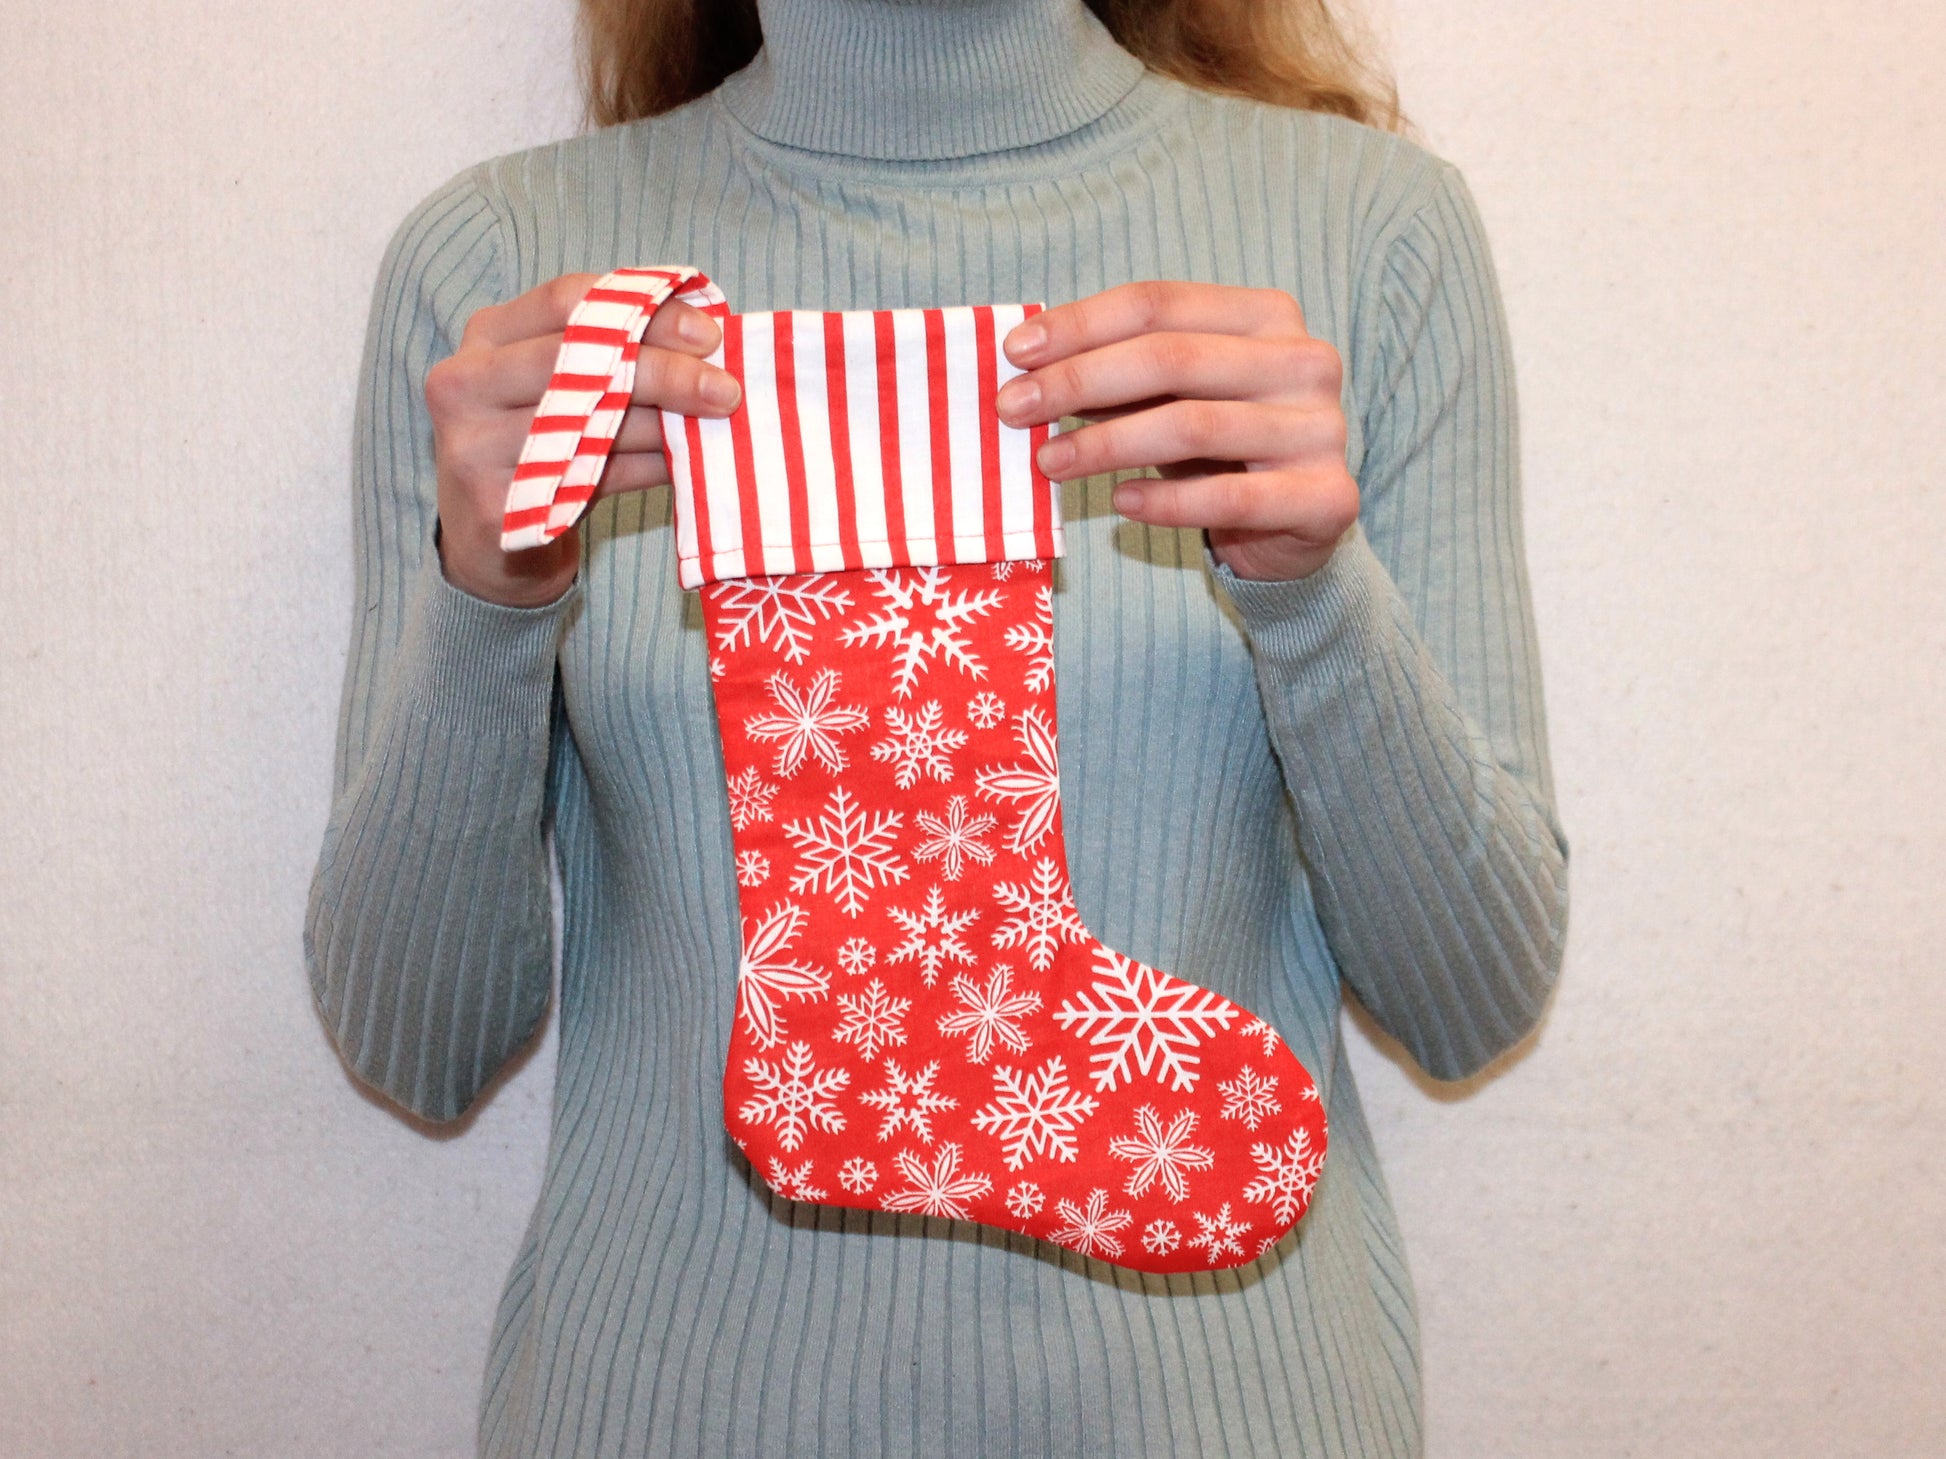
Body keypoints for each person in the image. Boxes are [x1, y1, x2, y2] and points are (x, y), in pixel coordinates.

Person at [305, 0, 1570, 1453]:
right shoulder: (512, 274)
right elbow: (418, 1046)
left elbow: (1472, 1005)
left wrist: (1312, 592)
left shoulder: (1364, 231)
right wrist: (487, 600)